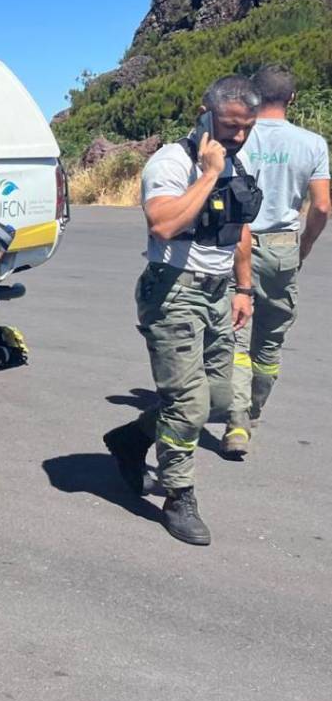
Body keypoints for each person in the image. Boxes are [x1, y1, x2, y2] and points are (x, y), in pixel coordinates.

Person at [104, 75, 259, 546]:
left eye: (246, 127)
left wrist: (243, 288)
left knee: (220, 399)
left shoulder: (239, 158)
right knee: (187, 404)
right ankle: (178, 495)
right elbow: (164, 224)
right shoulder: (171, 162)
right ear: (205, 114)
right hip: (174, 290)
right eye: (230, 126)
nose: (238, 136)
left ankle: (133, 438)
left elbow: (240, 227)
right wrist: (209, 174)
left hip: (217, 292)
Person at [220, 64, 330, 456]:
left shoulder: (238, 135)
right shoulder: (312, 143)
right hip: (283, 246)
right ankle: (253, 410)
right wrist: (305, 245)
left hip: (237, 242)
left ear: (253, 95)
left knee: (235, 335)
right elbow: (321, 206)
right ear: (292, 99)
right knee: (270, 339)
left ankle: (236, 423)